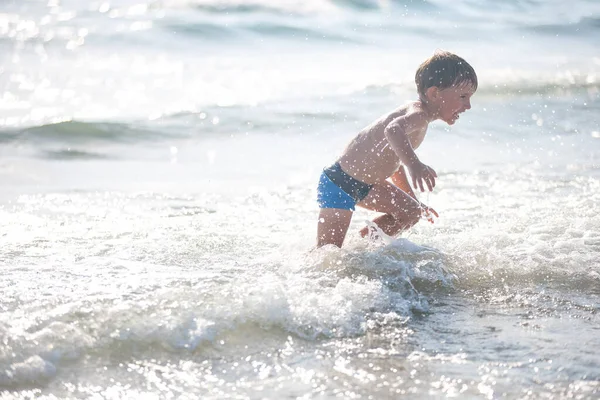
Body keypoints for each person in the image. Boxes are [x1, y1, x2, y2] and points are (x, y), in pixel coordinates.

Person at [316, 50, 477, 248]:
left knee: (410, 211)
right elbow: (392, 130)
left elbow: (394, 161)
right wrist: (415, 165)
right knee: (327, 254)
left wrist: (412, 197)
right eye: (463, 96)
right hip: (340, 184)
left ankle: (360, 249)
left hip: (368, 185)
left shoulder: (419, 121)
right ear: (434, 93)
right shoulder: (418, 115)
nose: (468, 105)